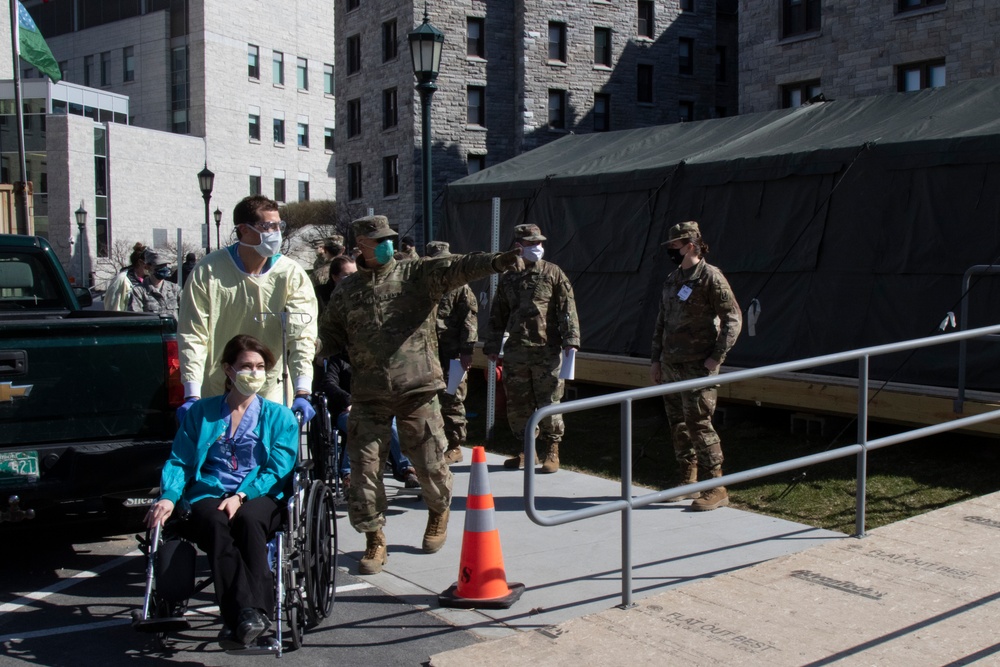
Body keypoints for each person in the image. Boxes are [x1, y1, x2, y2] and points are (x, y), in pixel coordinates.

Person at [318, 215, 522, 575]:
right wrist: (306, 348)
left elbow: (458, 267)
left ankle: (438, 510)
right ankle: (374, 538)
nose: (387, 244)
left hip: (417, 389)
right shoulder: (347, 291)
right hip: (369, 395)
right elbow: (331, 336)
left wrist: (496, 260)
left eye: (390, 239)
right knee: (365, 472)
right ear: (361, 245)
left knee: (429, 464)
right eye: (378, 239)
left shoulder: (416, 274)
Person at [145, 335, 299, 650]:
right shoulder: (201, 413)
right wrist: (169, 495)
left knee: (248, 522)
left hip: (259, 493)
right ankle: (249, 615)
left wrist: (242, 495)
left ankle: (244, 617)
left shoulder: (279, 417)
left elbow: (278, 469)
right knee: (216, 523)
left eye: (260, 367)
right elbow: (180, 460)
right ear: (229, 370)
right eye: (246, 366)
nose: (254, 373)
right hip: (208, 492)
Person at [177, 195, 319, 424]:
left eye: (279, 226)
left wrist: (303, 389)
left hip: (272, 387)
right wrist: (191, 392)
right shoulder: (209, 271)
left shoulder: (290, 274)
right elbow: (193, 334)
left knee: (270, 455)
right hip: (219, 387)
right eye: (268, 226)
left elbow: (302, 335)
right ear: (243, 229)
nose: (276, 233)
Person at [650, 221, 742, 511]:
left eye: (675, 246)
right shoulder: (673, 279)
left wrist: (717, 356)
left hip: (697, 367)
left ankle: (715, 486)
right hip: (671, 364)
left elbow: (733, 318)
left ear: (690, 245)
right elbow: (661, 322)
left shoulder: (710, 277)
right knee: (678, 424)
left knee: (699, 424)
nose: (671, 252)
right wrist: (655, 360)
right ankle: (688, 479)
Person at [484, 224, 580, 474]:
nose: (537, 247)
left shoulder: (552, 273)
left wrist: (571, 340)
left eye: (539, 243)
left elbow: (567, 309)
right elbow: (498, 314)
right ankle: (527, 451)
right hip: (517, 351)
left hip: (546, 350)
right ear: (518, 246)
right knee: (518, 404)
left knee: (549, 401)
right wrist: (493, 346)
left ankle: (552, 450)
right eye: (531, 244)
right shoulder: (508, 278)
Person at [314, 352, 419, 489]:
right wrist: (348, 400)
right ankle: (348, 474)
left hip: (377, 408)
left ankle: (407, 469)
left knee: (392, 424)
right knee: (357, 423)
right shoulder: (338, 361)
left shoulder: (376, 359)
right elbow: (329, 384)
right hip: (347, 411)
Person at [425, 241, 478, 465]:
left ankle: (455, 445)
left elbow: (470, 320)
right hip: (427, 353)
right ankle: (433, 444)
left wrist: (466, 352)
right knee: (428, 399)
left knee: (453, 398)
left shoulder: (460, 287)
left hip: (452, 353)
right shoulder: (423, 285)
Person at [128, 249, 181, 318]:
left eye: (165, 265)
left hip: (173, 328)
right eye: (159, 266)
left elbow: (186, 314)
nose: (164, 268)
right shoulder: (139, 292)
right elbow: (136, 319)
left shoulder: (175, 289)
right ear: (147, 267)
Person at [104, 242, 147, 311]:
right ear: (140, 262)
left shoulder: (150, 280)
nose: (152, 266)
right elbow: (113, 309)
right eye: (150, 263)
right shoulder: (122, 280)